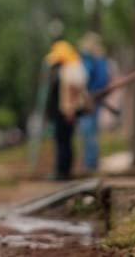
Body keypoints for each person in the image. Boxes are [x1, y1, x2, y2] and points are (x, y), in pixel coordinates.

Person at [45, 41, 89, 181]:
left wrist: (70, 109)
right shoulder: (70, 67)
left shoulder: (71, 68)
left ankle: (63, 171)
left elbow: (73, 91)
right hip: (64, 111)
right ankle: (62, 170)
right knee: (63, 141)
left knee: (64, 141)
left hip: (66, 111)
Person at [78, 32, 110, 172]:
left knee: (88, 131)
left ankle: (90, 164)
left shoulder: (90, 59)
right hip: (97, 97)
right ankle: (91, 162)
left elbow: (83, 77)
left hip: (89, 97)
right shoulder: (101, 59)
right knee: (91, 131)